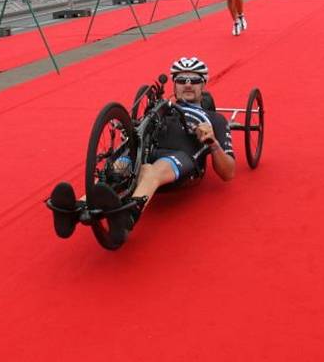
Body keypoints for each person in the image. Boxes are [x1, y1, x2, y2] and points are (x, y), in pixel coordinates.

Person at [49, 56, 235, 247]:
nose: (187, 85)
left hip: (180, 157)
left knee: (149, 171)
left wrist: (213, 144)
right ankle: (75, 209)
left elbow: (229, 173)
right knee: (118, 167)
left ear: (203, 84)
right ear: (174, 84)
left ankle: (128, 216)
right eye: (181, 80)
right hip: (146, 151)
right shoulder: (160, 109)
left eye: (194, 80)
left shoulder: (214, 119)